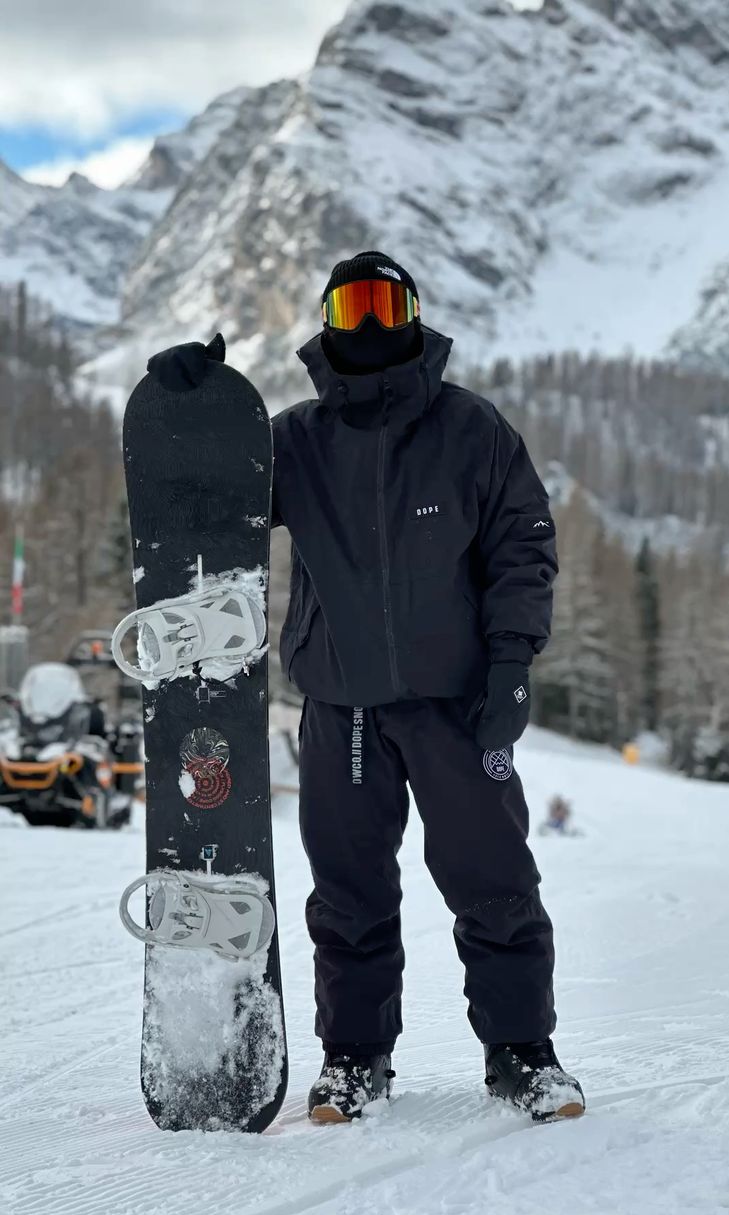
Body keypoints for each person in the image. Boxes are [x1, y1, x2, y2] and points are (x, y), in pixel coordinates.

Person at [148, 251, 585, 1126]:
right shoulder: (297, 439)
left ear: (416, 317)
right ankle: (354, 1060)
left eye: (388, 305)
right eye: (355, 308)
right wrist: (191, 411)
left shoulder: (472, 430)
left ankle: (523, 1055)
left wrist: (511, 664)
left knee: (495, 881)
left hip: (458, 705)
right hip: (341, 705)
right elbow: (210, 502)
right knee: (348, 894)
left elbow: (523, 546)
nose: (374, 324)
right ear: (329, 323)